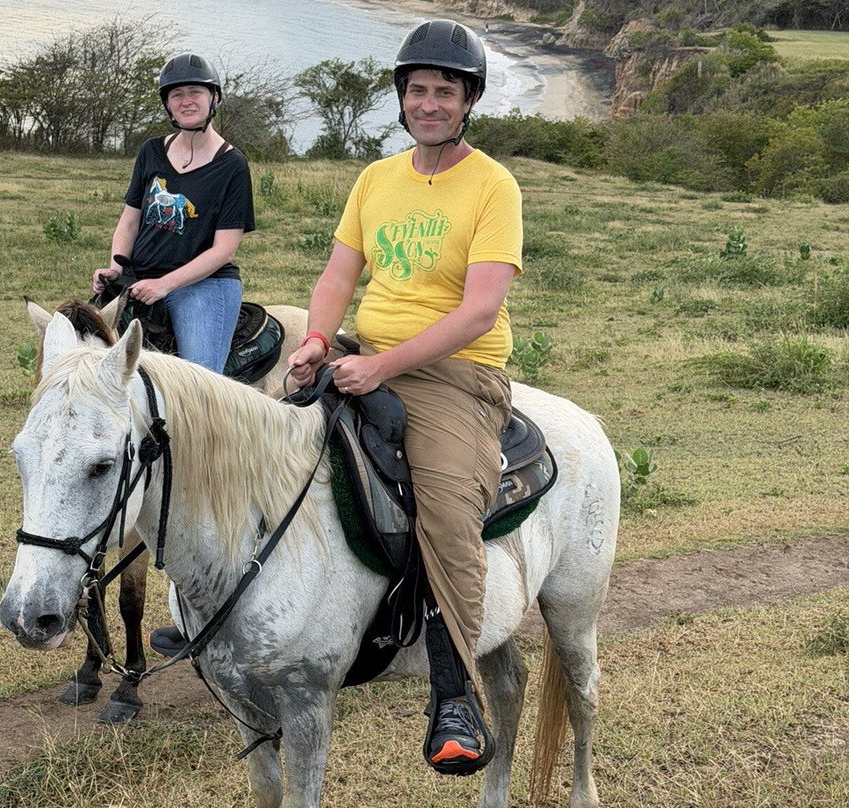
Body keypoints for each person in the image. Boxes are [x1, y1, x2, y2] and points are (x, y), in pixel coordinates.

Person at [287, 19, 522, 774]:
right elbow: (338, 276)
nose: (428, 104)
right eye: (417, 90)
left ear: (469, 101)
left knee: (447, 509)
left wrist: (382, 367)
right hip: (364, 352)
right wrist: (316, 341)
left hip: (455, 374)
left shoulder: (493, 186)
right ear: (401, 97)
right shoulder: (375, 179)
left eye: (444, 91)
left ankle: (455, 696)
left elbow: (479, 311)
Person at [92, 52, 255, 374]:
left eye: (195, 92)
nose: (186, 101)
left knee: (198, 378)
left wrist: (164, 284)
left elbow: (224, 250)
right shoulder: (151, 151)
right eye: (176, 94)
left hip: (203, 285)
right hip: (141, 278)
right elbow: (130, 220)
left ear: (214, 98)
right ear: (167, 104)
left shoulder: (232, 165)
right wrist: (116, 267)